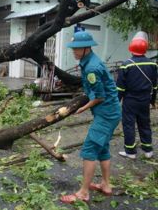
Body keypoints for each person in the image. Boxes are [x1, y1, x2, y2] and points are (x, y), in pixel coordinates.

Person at [60, 31, 121, 204]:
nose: (74, 51)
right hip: (110, 112)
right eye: (73, 48)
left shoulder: (92, 67)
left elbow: (99, 97)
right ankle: (105, 185)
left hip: (106, 114)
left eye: (77, 48)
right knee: (102, 148)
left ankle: (83, 193)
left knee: (89, 149)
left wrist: (82, 108)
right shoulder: (88, 62)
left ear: (87, 48)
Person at [116, 31, 157, 159]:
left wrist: (117, 101)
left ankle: (130, 152)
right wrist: (152, 100)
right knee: (144, 123)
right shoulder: (153, 64)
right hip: (145, 100)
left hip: (130, 100)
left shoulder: (126, 65)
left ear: (131, 49)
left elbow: (120, 87)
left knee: (129, 125)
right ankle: (148, 150)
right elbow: (155, 85)